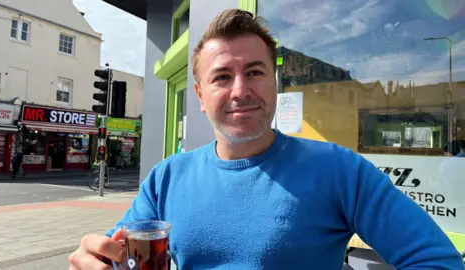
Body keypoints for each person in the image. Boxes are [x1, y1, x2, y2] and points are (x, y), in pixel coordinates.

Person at [69, 9, 464, 269]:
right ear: (200, 96)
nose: (240, 90)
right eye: (222, 77)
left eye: (255, 72)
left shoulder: (339, 169)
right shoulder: (166, 177)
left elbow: (436, 261)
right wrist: (95, 258)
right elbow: (118, 253)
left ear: (274, 85)